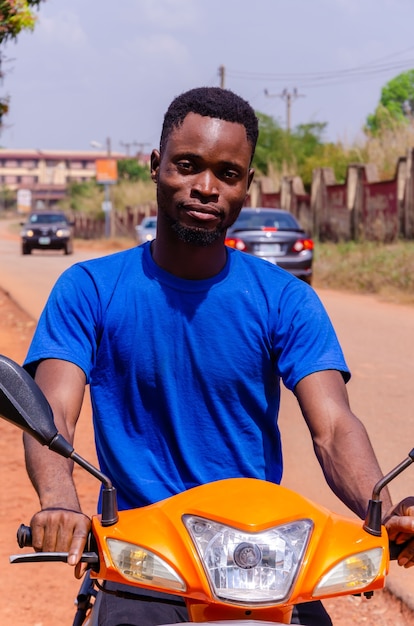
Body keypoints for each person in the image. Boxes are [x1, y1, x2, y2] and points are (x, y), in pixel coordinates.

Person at [22, 87, 414, 626]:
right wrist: (61, 501)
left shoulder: (285, 298)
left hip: (261, 558)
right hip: (147, 558)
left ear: (246, 186)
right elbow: (51, 413)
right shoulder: (90, 288)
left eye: (227, 174)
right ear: (156, 167)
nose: (206, 187)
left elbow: (333, 425)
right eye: (188, 166)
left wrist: (384, 507)